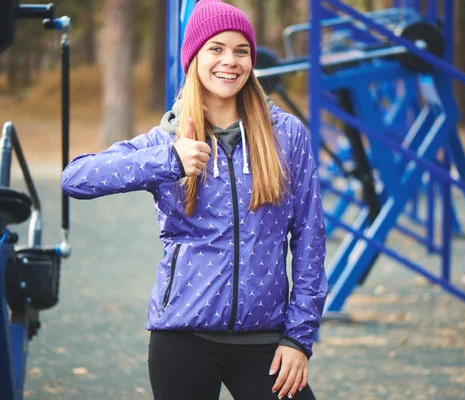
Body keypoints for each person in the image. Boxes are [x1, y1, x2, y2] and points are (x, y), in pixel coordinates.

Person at [61, 0, 327, 399]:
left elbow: (310, 239)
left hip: (266, 343)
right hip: (182, 339)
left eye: (241, 51)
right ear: (194, 59)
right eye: (215, 49)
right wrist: (169, 160)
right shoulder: (167, 140)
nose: (230, 61)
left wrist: (298, 339)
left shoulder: (287, 136)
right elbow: (75, 178)